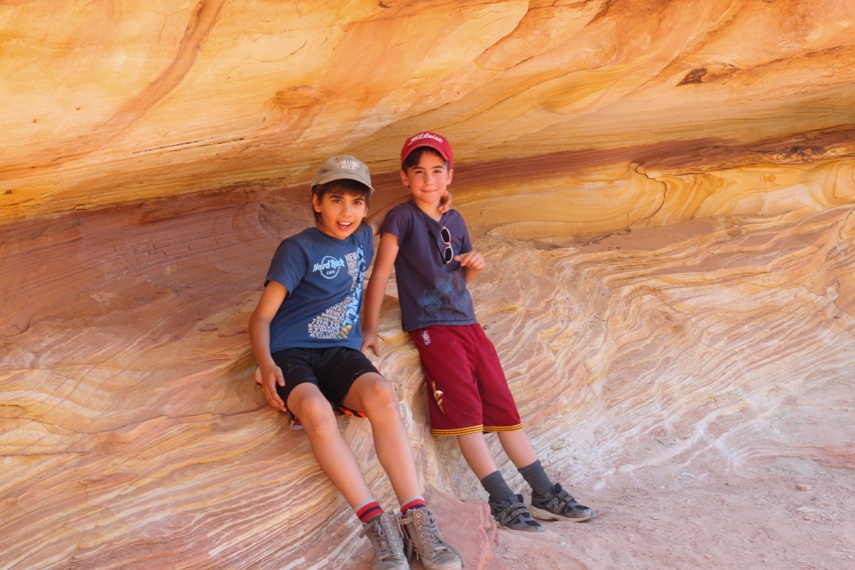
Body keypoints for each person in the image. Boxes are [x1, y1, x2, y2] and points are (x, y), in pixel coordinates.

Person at [362, 132, 595, 533]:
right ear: (404, 177)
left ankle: (543, 493)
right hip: (433, 327)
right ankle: (503, 499)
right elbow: (380, 272)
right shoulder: (402, 218)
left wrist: (473, 264)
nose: (429, 180)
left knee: (505, 411)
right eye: (418, 172)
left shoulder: (455, 219)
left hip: (468, 323)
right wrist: (368, 328)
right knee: (467, 417)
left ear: (450, 175)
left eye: (437, 171)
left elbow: (458, 279)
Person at [249, 155, 462, 570]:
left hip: (340, 351)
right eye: (335, 200)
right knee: (313, 408)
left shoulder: (362, 237)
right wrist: (266, 363)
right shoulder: (298, 248)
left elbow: (387, 215)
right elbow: (261, 317)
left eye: (356, 203)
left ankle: (417, 520)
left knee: (382, 393)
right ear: (316, 202)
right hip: (291, 351)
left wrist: (426, 190)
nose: (346, 212)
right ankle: (378, 528)